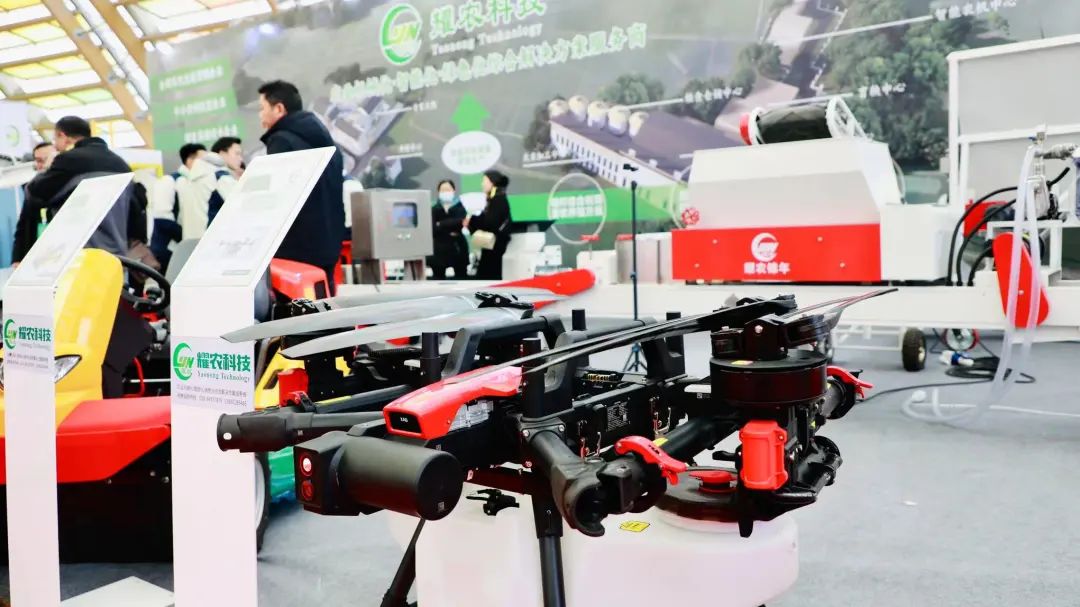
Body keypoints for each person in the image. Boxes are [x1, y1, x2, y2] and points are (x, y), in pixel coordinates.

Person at [258, 80, 346, 292]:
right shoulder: (327, 142)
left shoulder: (282, 141)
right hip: (328, 243)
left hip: (295, 248)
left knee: (297, 309)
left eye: (262, 108)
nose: (260, 115)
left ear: (279, 109)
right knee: (325, 302)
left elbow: (277, 197)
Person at [14, 116, 134, 263]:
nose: (56, 146)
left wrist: (47, 169)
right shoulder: (122, 165)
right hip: (116, 257)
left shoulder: (68, 161)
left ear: (62, 136)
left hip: (79, 258)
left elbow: (34, 193)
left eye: (55, 140)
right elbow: (135, 213)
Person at [463, 170, 512, 280]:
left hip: (494, 249)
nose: (482, 184)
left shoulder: (498, 200)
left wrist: (472, 222)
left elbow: (489, 223)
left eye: (485, 181)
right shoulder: (495, 199)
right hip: (491, 248)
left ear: (492, 183)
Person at [428, 179, 469, 280]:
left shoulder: (460, 207)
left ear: (454, 191)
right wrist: (451, 225)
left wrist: (441, 223)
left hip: (457, 247)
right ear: (438, 192)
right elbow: (433, 229)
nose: (445, 192)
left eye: (448, 189)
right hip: (439, 249)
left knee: (461, 277)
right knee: (438, 278)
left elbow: (460, 222)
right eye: (443, 190)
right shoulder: (434, 209)